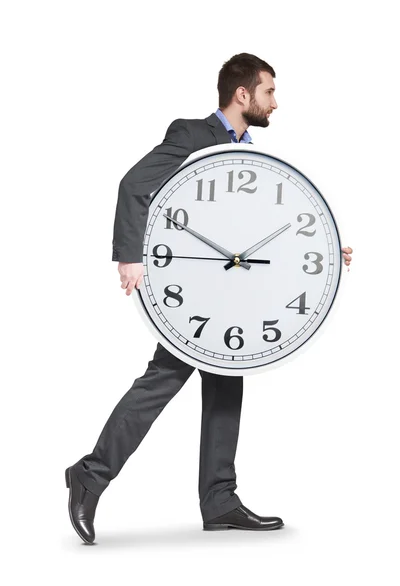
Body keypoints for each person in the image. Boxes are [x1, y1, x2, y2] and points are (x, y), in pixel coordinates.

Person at [66, 52, 353, 544]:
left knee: (226, 386)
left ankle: (219, 501)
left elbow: (257, 230)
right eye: (269, 92)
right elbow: (133, 185)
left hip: (231, 296)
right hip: (193, 295)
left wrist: (322, 247)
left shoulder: (253, 156)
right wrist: (129, 256)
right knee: (159, 383)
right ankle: (89, 477)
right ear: (242, 94)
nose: (275, 103)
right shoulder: (192, 136)